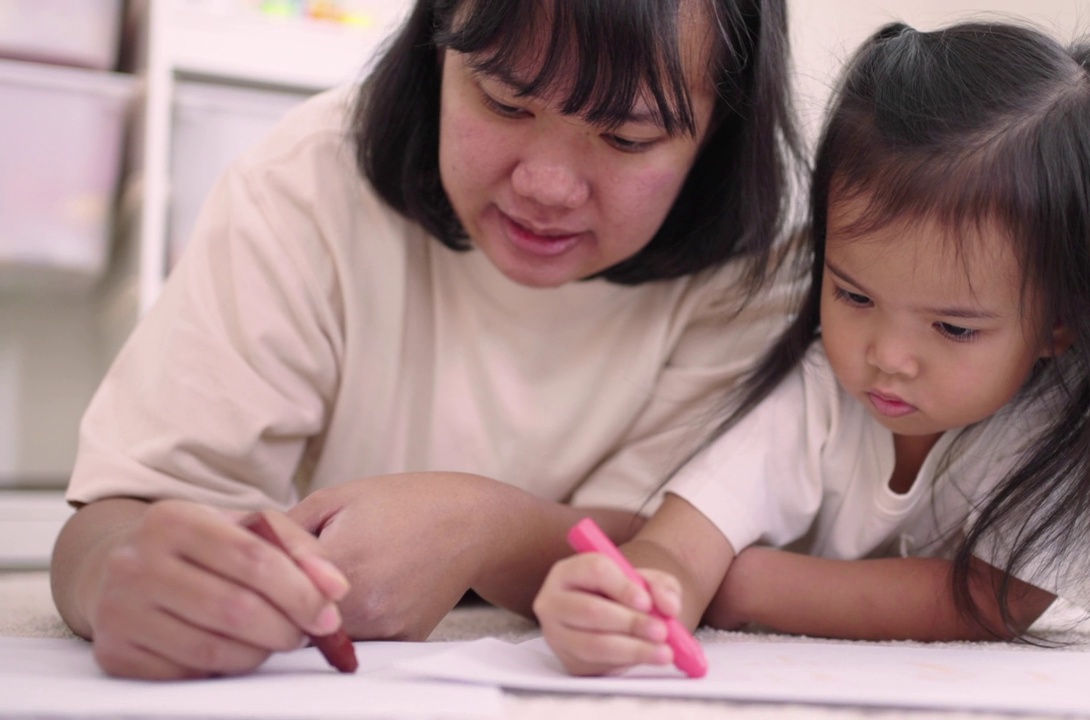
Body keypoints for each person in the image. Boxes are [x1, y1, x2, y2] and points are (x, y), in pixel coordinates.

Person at [50, 0, 803, 680]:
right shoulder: (306, 184)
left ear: (717, 136)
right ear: (435, 51)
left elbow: (670, 547)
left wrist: (487, 528)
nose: (547, 184)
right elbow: (117, 514)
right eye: (507, 101)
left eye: (626, 138)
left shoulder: (759, 275)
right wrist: (115, 575)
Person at [533, 19, 1090, 676]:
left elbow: (993, 600)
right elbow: (679, 545)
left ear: (1061, 323)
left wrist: (750, 585)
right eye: (854, 296)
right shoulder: (814, 392)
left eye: (953, 328)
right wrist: (638, 596)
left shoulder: (1073, 429)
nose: (886, 356)